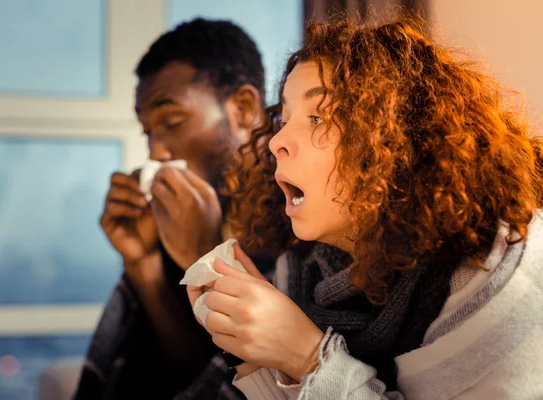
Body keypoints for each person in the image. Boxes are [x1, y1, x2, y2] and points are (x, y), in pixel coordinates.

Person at [187, 15, 543, 399]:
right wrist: (256, 350)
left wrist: (309, 357)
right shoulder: (300, 275)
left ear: (397, 140)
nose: (276, 143)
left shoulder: (500, 270)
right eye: (284, 119)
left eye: (318, 117)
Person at [73, 18, 271, 400]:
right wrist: (143, 265)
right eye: (148, 131)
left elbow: (260, 389)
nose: (155, 152)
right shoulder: (170, 228)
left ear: (244, 109)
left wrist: (206, 257)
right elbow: (183, 377)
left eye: (172, 122)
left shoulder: (305, 223)